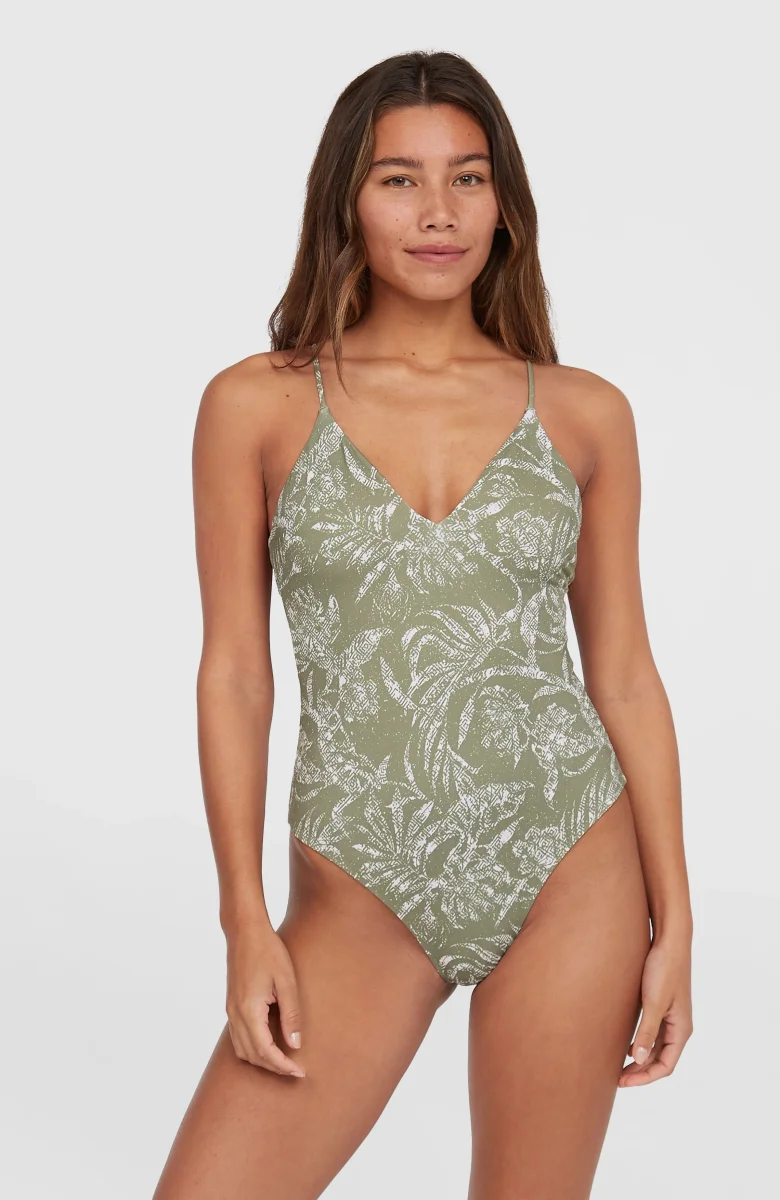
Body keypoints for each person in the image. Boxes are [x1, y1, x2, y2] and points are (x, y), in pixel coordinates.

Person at [153, 49, 694, 1200]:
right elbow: (236, 675)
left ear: (505, 205)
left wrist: (677, 921)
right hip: (360, 884)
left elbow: (625, 675)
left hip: (569, 862)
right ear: (346, 201)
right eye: (399, 180)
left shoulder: (586, 414)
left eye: (469, 178)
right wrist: (244, 919)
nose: (438, 212)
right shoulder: (257, 403)